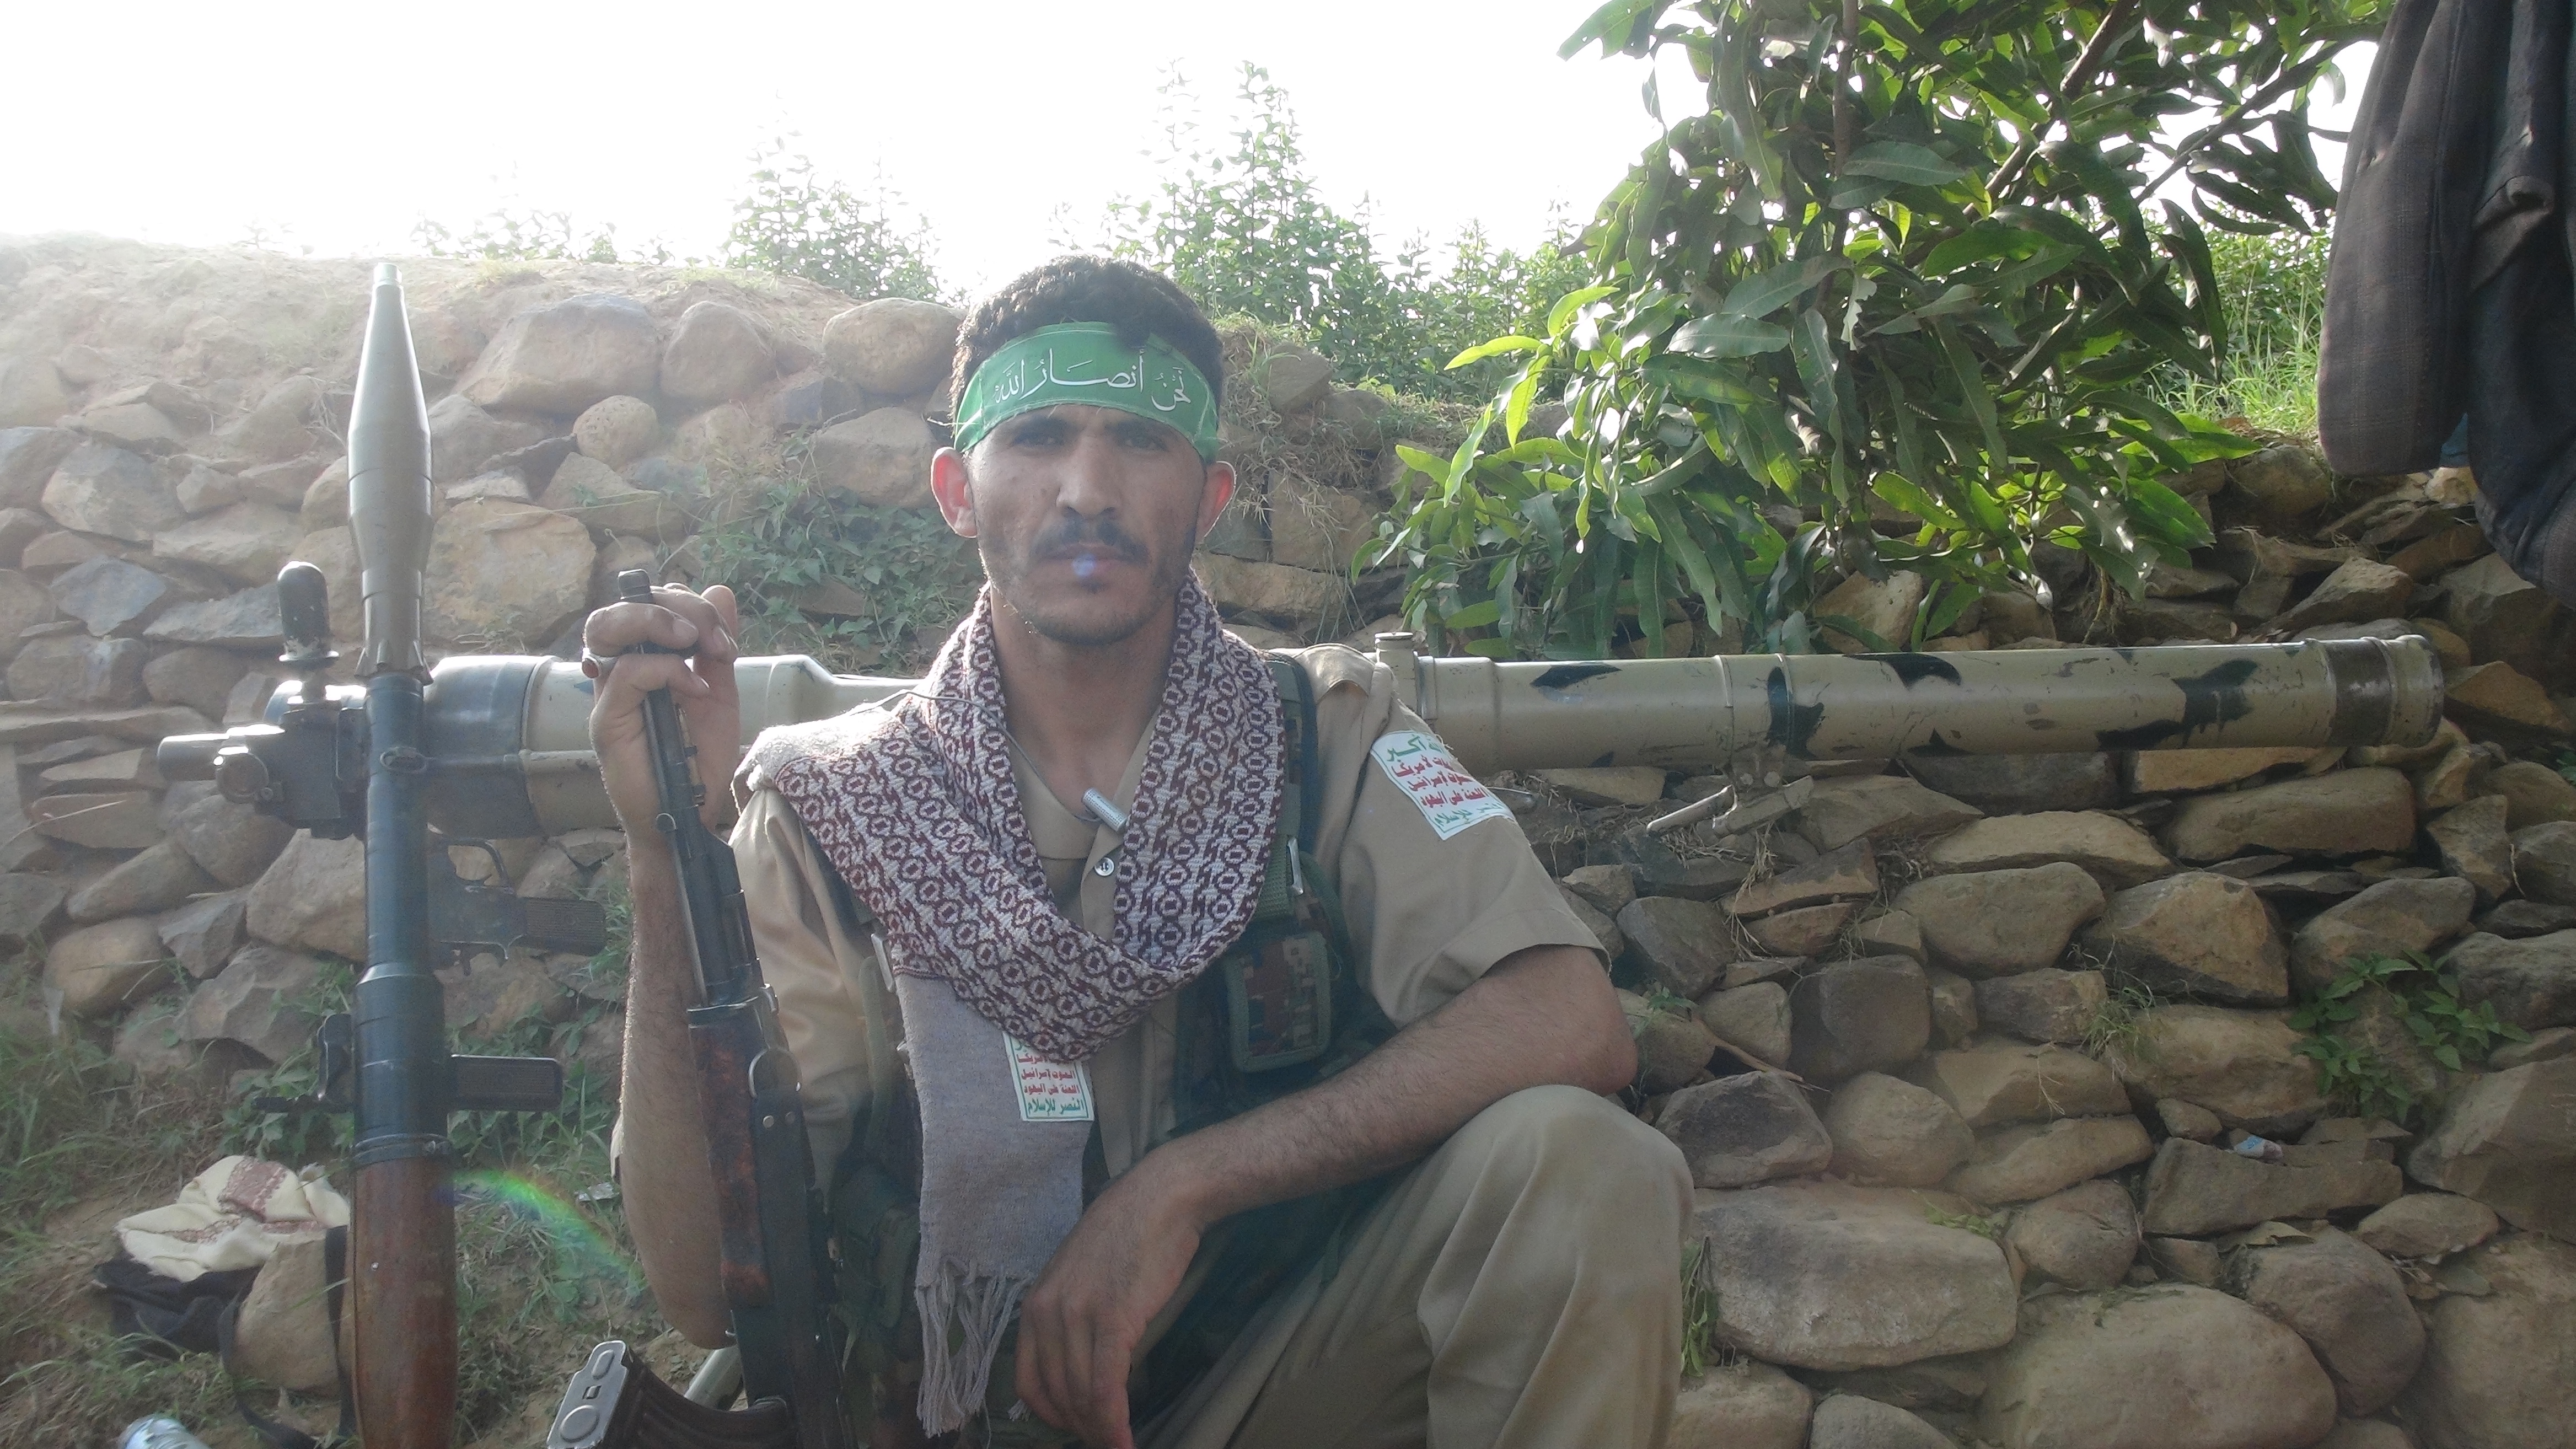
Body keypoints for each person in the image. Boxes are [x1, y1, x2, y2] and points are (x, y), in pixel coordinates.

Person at [584, 256, 1689, 1449]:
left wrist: (1183, 1187)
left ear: (1207, 499)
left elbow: (1567, 1017)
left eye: (1142, 442)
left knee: (1582, 1163)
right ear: (957, 491)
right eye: (1038, 437)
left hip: (1271, 1390)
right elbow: (702, 1289)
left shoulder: (1319, 739)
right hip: (951, 1422)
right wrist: (663, 856)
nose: (1087, 490)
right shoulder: (839, 806)